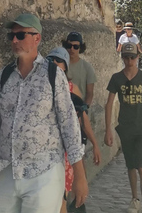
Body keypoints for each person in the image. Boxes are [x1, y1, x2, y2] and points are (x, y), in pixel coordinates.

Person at [0, 13, 88, 212]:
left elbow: (69, 124)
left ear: (37, 38)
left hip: (44, 172)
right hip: (7, 169)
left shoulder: (52, 75)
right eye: (12, 36)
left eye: (21, 35)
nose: (15, 40)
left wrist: (80, 175)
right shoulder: (4, 76)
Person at [104, 42, 142, 213]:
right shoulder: (116, 78)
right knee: (131, 166)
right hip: (125, 128)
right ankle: (135, 199)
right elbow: (109, 103)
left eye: (132, 57)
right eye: (126, 57)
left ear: (138, 57)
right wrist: (108, 129)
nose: (129, 61)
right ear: (122, 58)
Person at [46, 47, 101, 213]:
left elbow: (82, 118)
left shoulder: (72, 89)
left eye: (59, 60)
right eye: (51, 60)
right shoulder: (39, 87)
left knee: (61, 196)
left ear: (65, 67)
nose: (54, 63)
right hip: (45, 151)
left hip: (66, 150)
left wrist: (95, 144)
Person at [63, 32, 96, 107]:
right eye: (69, 45)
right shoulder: (60, 65)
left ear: (80, 48)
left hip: (79, 109)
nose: (72, 49)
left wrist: (85, 108)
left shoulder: (87, 67)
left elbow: (90, 93)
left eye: (75, 47)